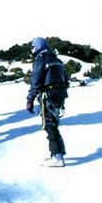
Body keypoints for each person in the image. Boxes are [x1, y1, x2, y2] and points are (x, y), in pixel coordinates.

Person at [26, 37, 68, 167]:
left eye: (33, 46)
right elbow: (66, 79)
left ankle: (57, 157)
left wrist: (30, 99)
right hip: (60, 94)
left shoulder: (40, 59)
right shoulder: (57, 59)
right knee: (54, 123)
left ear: (37, 46)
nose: (32, 49)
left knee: (49, 124)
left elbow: (36, 81)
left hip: (48, 95)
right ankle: (58, 152)